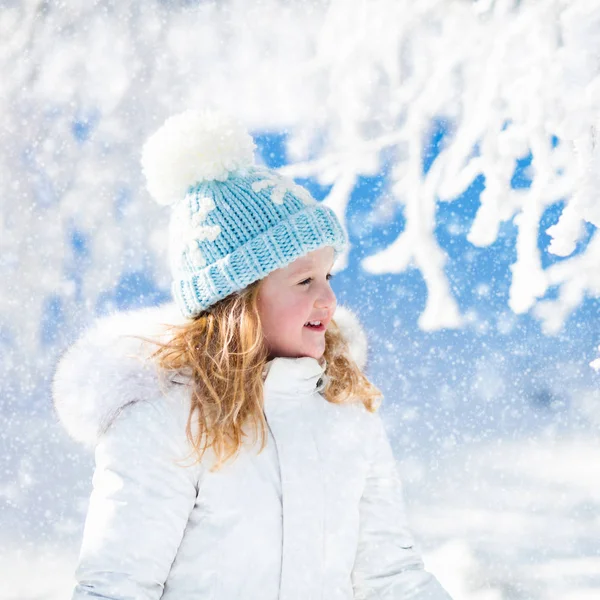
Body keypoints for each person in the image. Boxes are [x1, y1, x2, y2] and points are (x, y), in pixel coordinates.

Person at [52, 109, 453, 600]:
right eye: (304, 281)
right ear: (238, 301)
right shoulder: (166, 422)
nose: (328, 300)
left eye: (329, 277)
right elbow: (117, 587)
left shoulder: (345, 413)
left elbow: (391, 576)